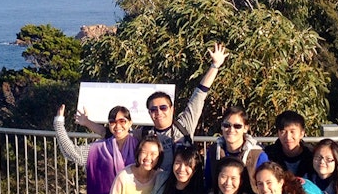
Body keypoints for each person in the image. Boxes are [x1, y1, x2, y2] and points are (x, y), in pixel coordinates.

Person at [74, 43, 229, 171]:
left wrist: (215, 65)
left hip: (184, 186)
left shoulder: (184, 123)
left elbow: (200, 94)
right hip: (157, 190)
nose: (158, 112)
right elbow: (112, 132)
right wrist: (87, 122)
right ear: (149, 113)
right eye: (153, 109)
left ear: (172, 109)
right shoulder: (146, 133)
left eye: (163, 107)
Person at [204, 106, 268, 194]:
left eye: (237, 126)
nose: (231, 130)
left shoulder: (258, 155)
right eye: (226, 125)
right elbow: (209, 184)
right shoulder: (213, 152)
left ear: (246, 128)